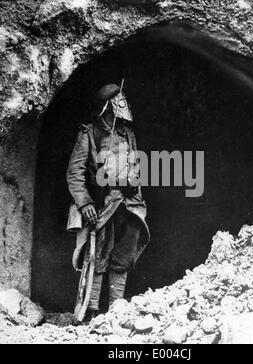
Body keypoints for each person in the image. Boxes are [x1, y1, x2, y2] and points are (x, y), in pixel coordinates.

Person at [66, 83, 150, 315]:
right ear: (109, 105)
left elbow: (136, 166)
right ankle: (91, 311)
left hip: (127, 203)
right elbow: (75, 173)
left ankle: (116, 310)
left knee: (123, 254)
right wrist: (85, 203)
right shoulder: (89, 133)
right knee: (97, 254)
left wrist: (132, 179)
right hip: (100, 203)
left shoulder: (127, 133)